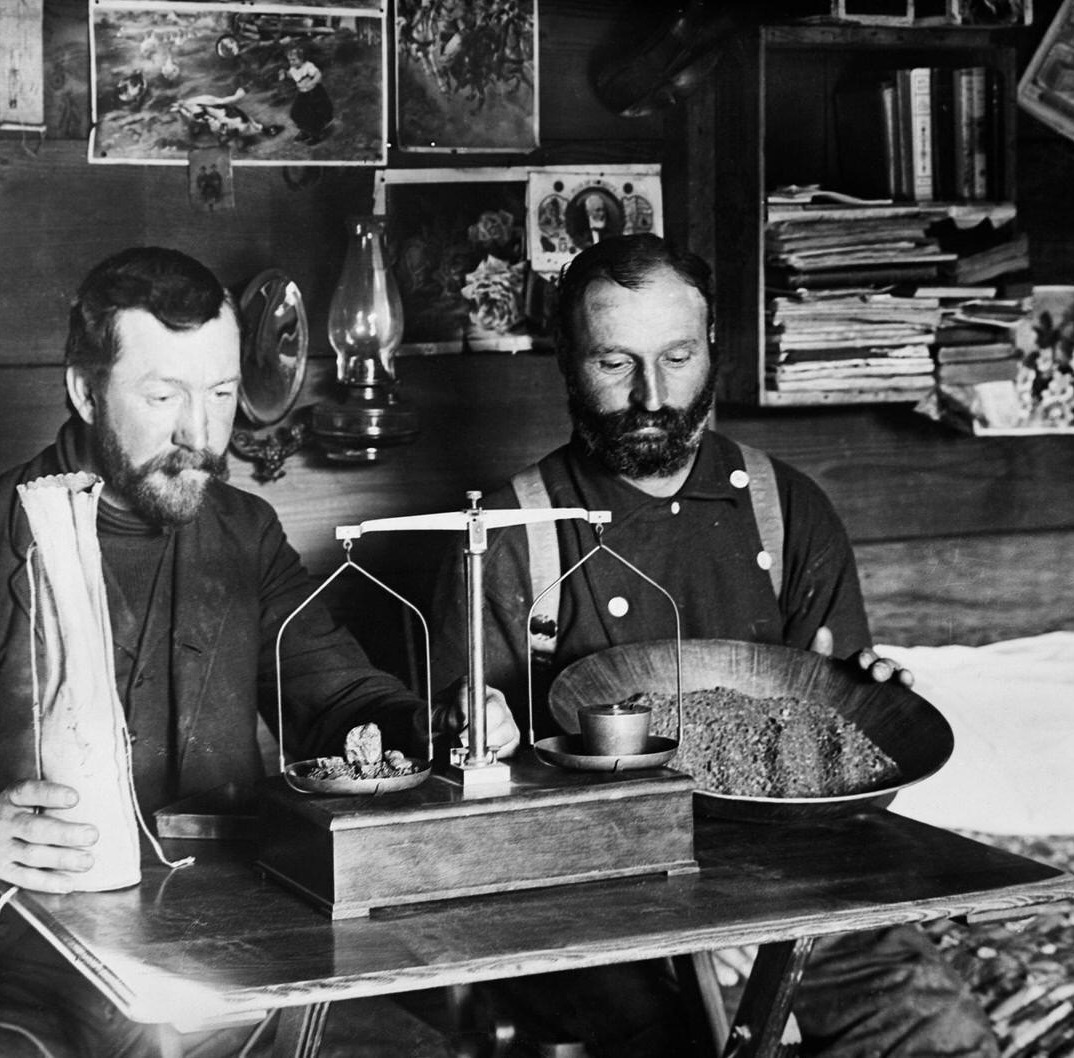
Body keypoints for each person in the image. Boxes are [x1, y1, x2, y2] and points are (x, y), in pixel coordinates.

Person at [0, 246, 510, 1058]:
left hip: (219, 954)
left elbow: (341, 704)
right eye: (162, 396)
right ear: (86, 391)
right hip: (2, 968)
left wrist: (441, 723)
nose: (200, 434)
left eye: (222, 394)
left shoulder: (245, 534)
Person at [426, 233, 998, 1058]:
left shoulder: (786, 507)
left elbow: (834, 767)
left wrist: (870, 702)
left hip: (794, 881)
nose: (653, 395)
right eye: (615, 363)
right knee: (688, 1038)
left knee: (938, 1029)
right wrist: (683, 919)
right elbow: (468, 807)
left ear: (713, 352)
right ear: (565, 362)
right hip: (596, 895)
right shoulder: (511, 535)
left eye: (679, 356)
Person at [284, 44, 333, 146]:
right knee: (296, 112)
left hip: (314, 93)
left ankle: (316, 134)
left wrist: (313, 82)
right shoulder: (293, 68)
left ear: (302, 59)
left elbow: (318, 74)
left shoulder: (308, 66)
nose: (291, 62)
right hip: (303, 94)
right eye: (289, 60)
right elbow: (291, 74)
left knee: (311, 114)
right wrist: (284, 74)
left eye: (294, 60)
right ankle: (305, 131)